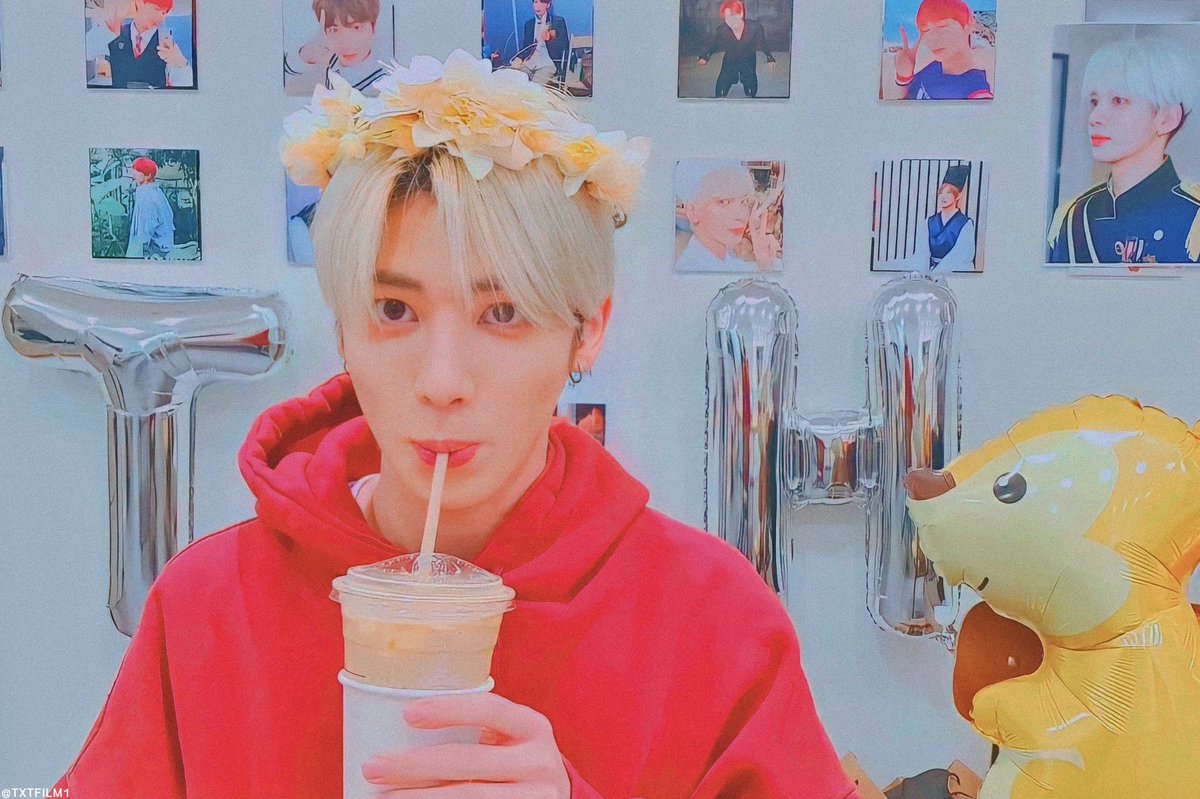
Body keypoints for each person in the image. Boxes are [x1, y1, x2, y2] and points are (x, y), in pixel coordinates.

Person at [51, 51, 855, 798]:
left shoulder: (713, 619)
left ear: (588, 330)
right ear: (343, 329)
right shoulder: (209, 605)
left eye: (502, 312)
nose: (442, 381)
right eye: (393, 309)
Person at [1049, 36, 1200, 266]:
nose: (1095, 117)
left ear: (1167, 118)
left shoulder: (1193, 218)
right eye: (1094, 102)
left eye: (1119, 100)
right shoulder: (1073, 218)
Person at [675, 159, 782, 272]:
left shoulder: (732, 261)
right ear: (692, 211)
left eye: (744, 202)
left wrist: (765, 264)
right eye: (724, 202)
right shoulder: (690, 269)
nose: (742, 216)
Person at [885, 0, 992, 101]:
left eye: (942, 26)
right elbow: (904, 102)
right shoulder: (932, 68)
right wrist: (904, 76)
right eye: (926, 30)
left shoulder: (976, 90)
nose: (933, 38)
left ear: (968, 26)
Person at [284, 0, 388, 95]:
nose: (346, 43)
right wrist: (312, 49)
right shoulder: (333, 58)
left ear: (373, 27)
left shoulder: (383, 84)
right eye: (334, 30)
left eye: (356, 27)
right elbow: (283, 74)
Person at [87, 0, 193, 89]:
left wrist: (181, 63)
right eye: (156, 9)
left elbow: (185, 86)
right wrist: (106, 29)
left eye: (163, 13)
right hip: (119, 102)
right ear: (139, 3)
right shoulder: (113, 34)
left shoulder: (166, 43)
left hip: (155, 104)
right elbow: (86, 53)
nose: (161, 18)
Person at [889, 164, 978, 272]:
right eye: (941, 193)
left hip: (954, 269)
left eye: (948, 193)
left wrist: (938, 271)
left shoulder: (965, 223)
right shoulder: (930, 221)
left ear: (958, 196)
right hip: (930, 269)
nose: (943, 197)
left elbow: (960, 255)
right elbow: (922, 252)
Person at [697, 1, 776, 98]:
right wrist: (705, 56)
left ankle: (748, 88)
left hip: (748, 61)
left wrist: (769, 58)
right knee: (720, 92)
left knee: (751, 91)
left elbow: (762, 43)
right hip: (730, 60)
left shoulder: (755, 28)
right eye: (727, 18)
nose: (731, 22)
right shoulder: (721, 30)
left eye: (733, 17)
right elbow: (713, 44)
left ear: (741, 14)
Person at [126, 157, 176, 260]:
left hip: (156, 249)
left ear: (148, 175)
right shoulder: (151, 191)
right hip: (158, 244)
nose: (134, 174)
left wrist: (140, 249)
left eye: (138, 171)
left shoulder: (149, 195)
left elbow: (147, 227)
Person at [519, 0, 572, 86]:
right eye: (536, 2)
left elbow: (564, 46)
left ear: (548, 5)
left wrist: (550, 39)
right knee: (517, 80)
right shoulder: (529, 24)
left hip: (548, 63)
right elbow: (526, 47)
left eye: (542, 2)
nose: (538, 6)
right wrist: (518, 58)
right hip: (530, 63)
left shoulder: (558, 22)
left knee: (534, 86)